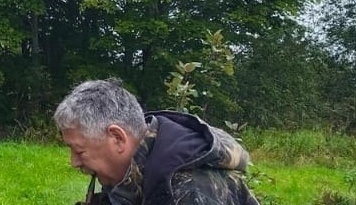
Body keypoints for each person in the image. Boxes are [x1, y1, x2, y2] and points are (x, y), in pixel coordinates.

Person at [54, 79, 260, 205]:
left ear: (117, 138)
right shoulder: (131, 173)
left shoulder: (188, 189)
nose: (74, 162)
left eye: (79, 151)